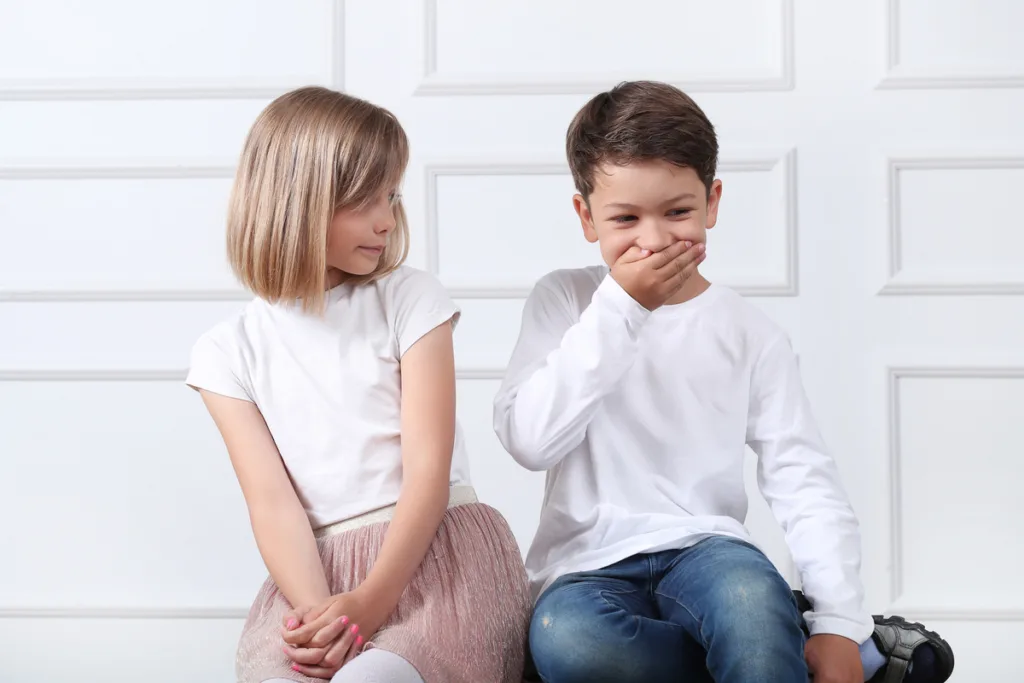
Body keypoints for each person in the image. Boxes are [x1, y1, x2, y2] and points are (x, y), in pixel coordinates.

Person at [492, 81, 954, 683]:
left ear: (712, 203)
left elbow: (802, 478)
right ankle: (786, 642)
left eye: (677, 212)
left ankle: (786, 633)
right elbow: (530, 441)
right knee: (570, 644)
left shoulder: (749, 331)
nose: (653, 240)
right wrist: (623, 308)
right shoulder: (566, 301)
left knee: (748, 608)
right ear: (586, 216)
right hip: (586, 567)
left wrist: (840, 622)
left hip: (710, 554)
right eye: (625, 218)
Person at [186, 86, 530, 683]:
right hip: (315, 576)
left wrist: (368, 607)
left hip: (436, 562)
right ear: (297, 202)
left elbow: (427, 468)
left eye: (391, 195)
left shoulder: (410, 299)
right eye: (364, 200)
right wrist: (325, 617)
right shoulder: (226, 353)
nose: (387, 219)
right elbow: (274, 507)